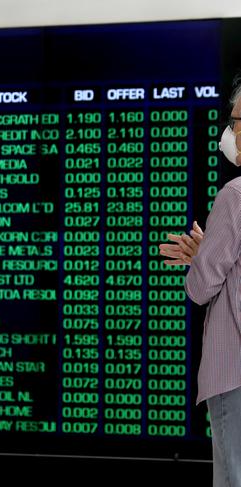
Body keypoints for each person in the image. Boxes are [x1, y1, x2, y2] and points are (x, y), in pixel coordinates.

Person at [159, 81, 241, 487]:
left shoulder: (235, 196)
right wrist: (208, 254)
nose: (229, 132)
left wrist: (200, 260)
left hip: (235, 377)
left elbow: (201, 287)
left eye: (236, 122)